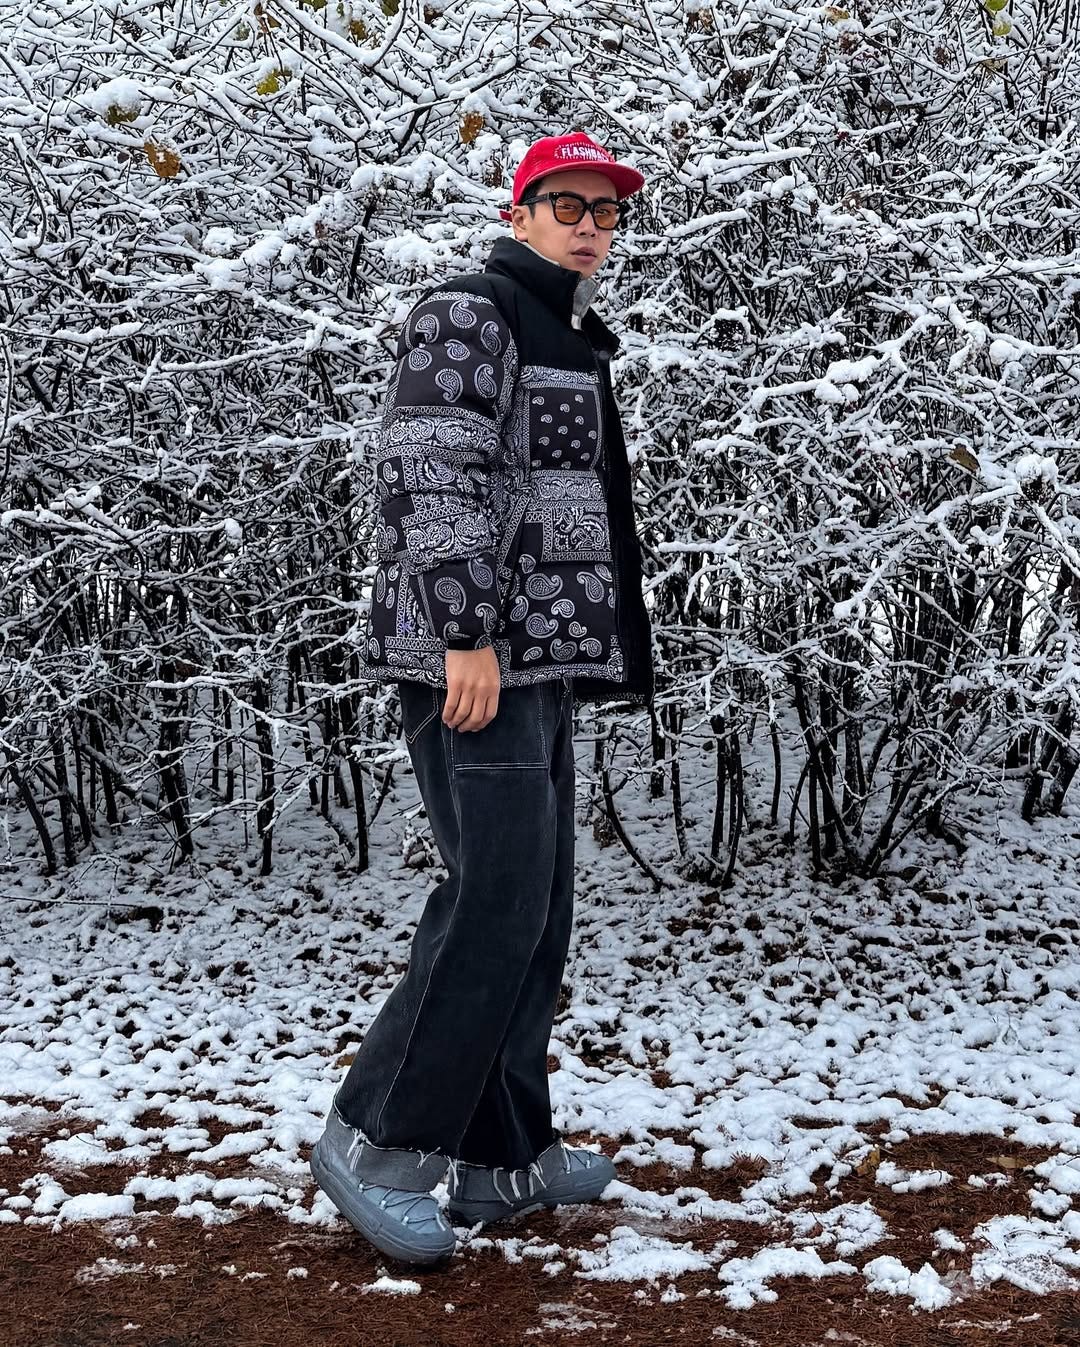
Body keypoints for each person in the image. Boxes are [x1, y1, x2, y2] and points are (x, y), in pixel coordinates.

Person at [309, 131, 655, 1266]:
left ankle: (502, 1154)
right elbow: (431, 464)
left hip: (539, 660)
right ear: (520, 212)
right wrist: (464, 631)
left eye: (607, 211)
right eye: (568, 203)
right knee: (495, 898)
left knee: (538, 907)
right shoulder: (472, 313)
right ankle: (377, 1142)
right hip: (478, 661)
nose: (590, 225)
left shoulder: (568, 332)